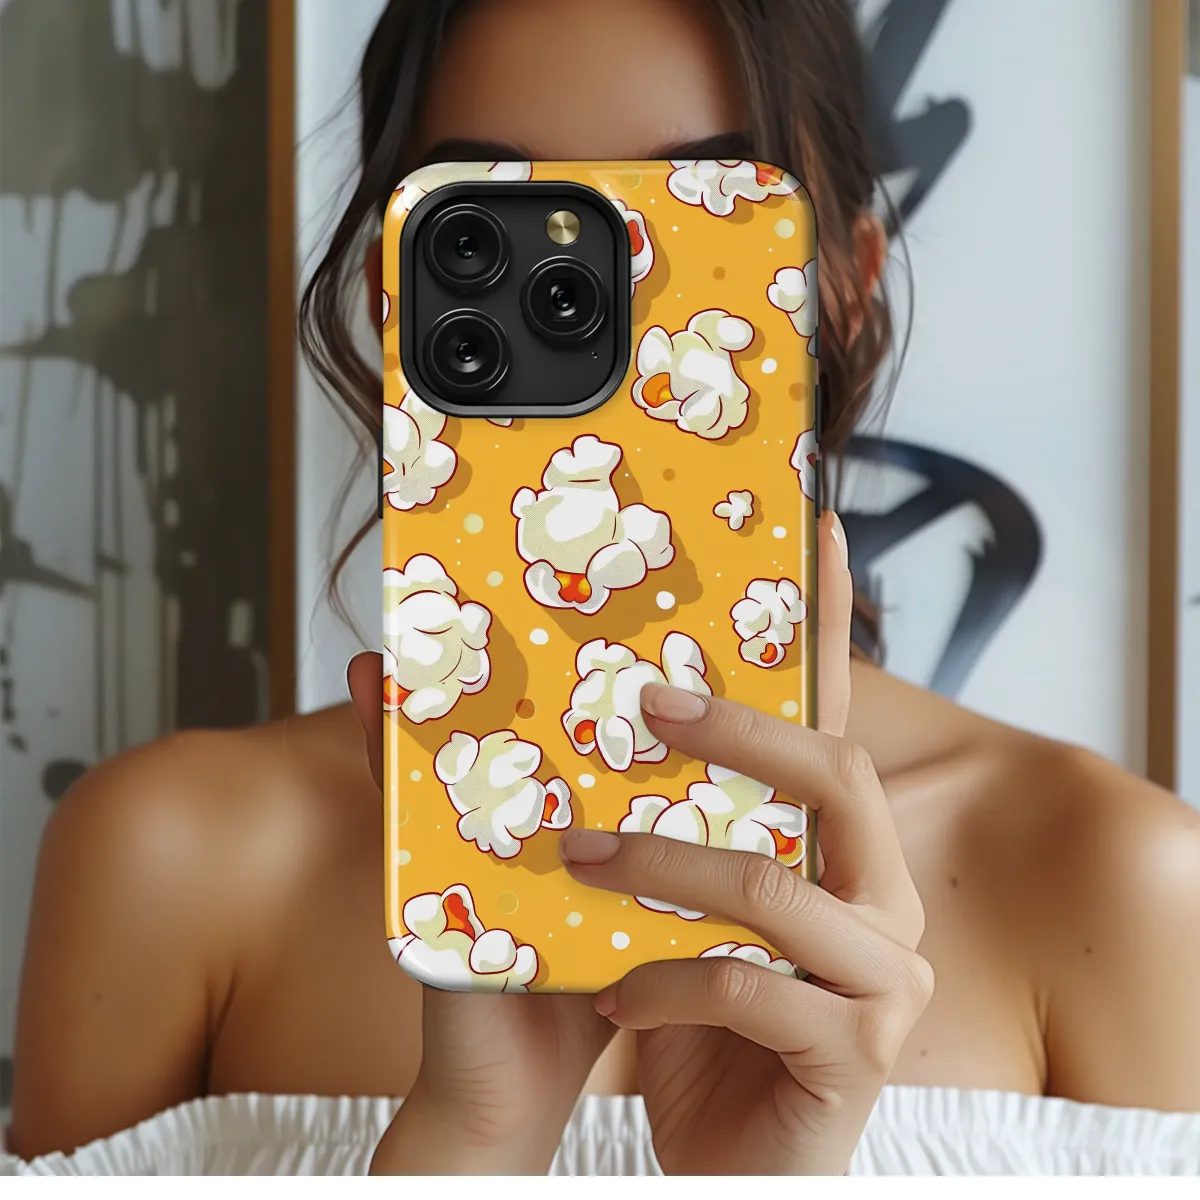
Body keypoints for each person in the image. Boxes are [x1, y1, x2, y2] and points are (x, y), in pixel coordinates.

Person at [6, 0, 1200, 1177]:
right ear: (391, 296)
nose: (612, 289)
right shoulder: (170, 863)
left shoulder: (1116, 883)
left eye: (698, 208)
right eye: (490, 226)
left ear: (846, 287)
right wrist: (474, 1142)